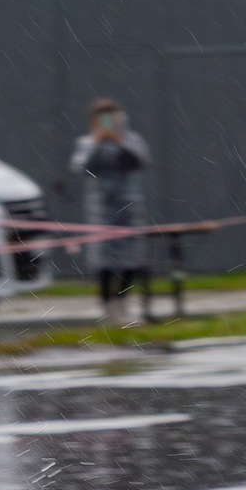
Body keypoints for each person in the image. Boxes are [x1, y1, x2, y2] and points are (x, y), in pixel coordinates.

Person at [71, 98, 151, 323]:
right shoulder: (86, 142)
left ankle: (122, 302)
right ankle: (108, 307)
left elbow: (141, 161)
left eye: (111, 116)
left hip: (129, 210)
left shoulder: (132, 139)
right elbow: (81, 168)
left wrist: (119, 141)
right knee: (104, 264)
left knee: (132, 261)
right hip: (101, 213)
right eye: (102, 117)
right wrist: (98, 143)